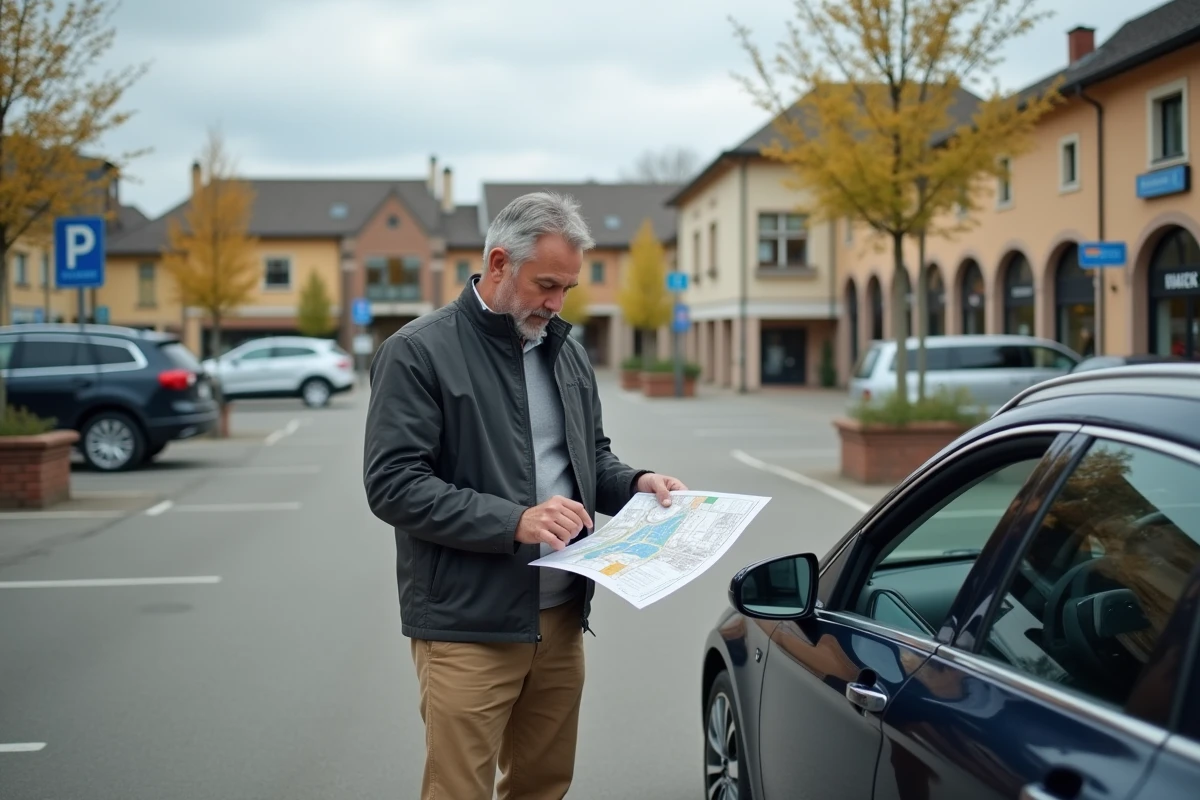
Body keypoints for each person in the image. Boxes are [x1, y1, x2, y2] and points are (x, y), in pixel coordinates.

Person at [363, 191, 687, 800]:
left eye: (568, 288)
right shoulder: (418, 351)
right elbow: (394, 484)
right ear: (499, 263)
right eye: (546, 285)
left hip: (560, 623)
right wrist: (514, 520)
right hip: (468, 627)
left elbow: (591, 456)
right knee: (459, 792)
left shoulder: (566, 352)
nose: (557, 303)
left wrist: (636, 483)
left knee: (543, 787)